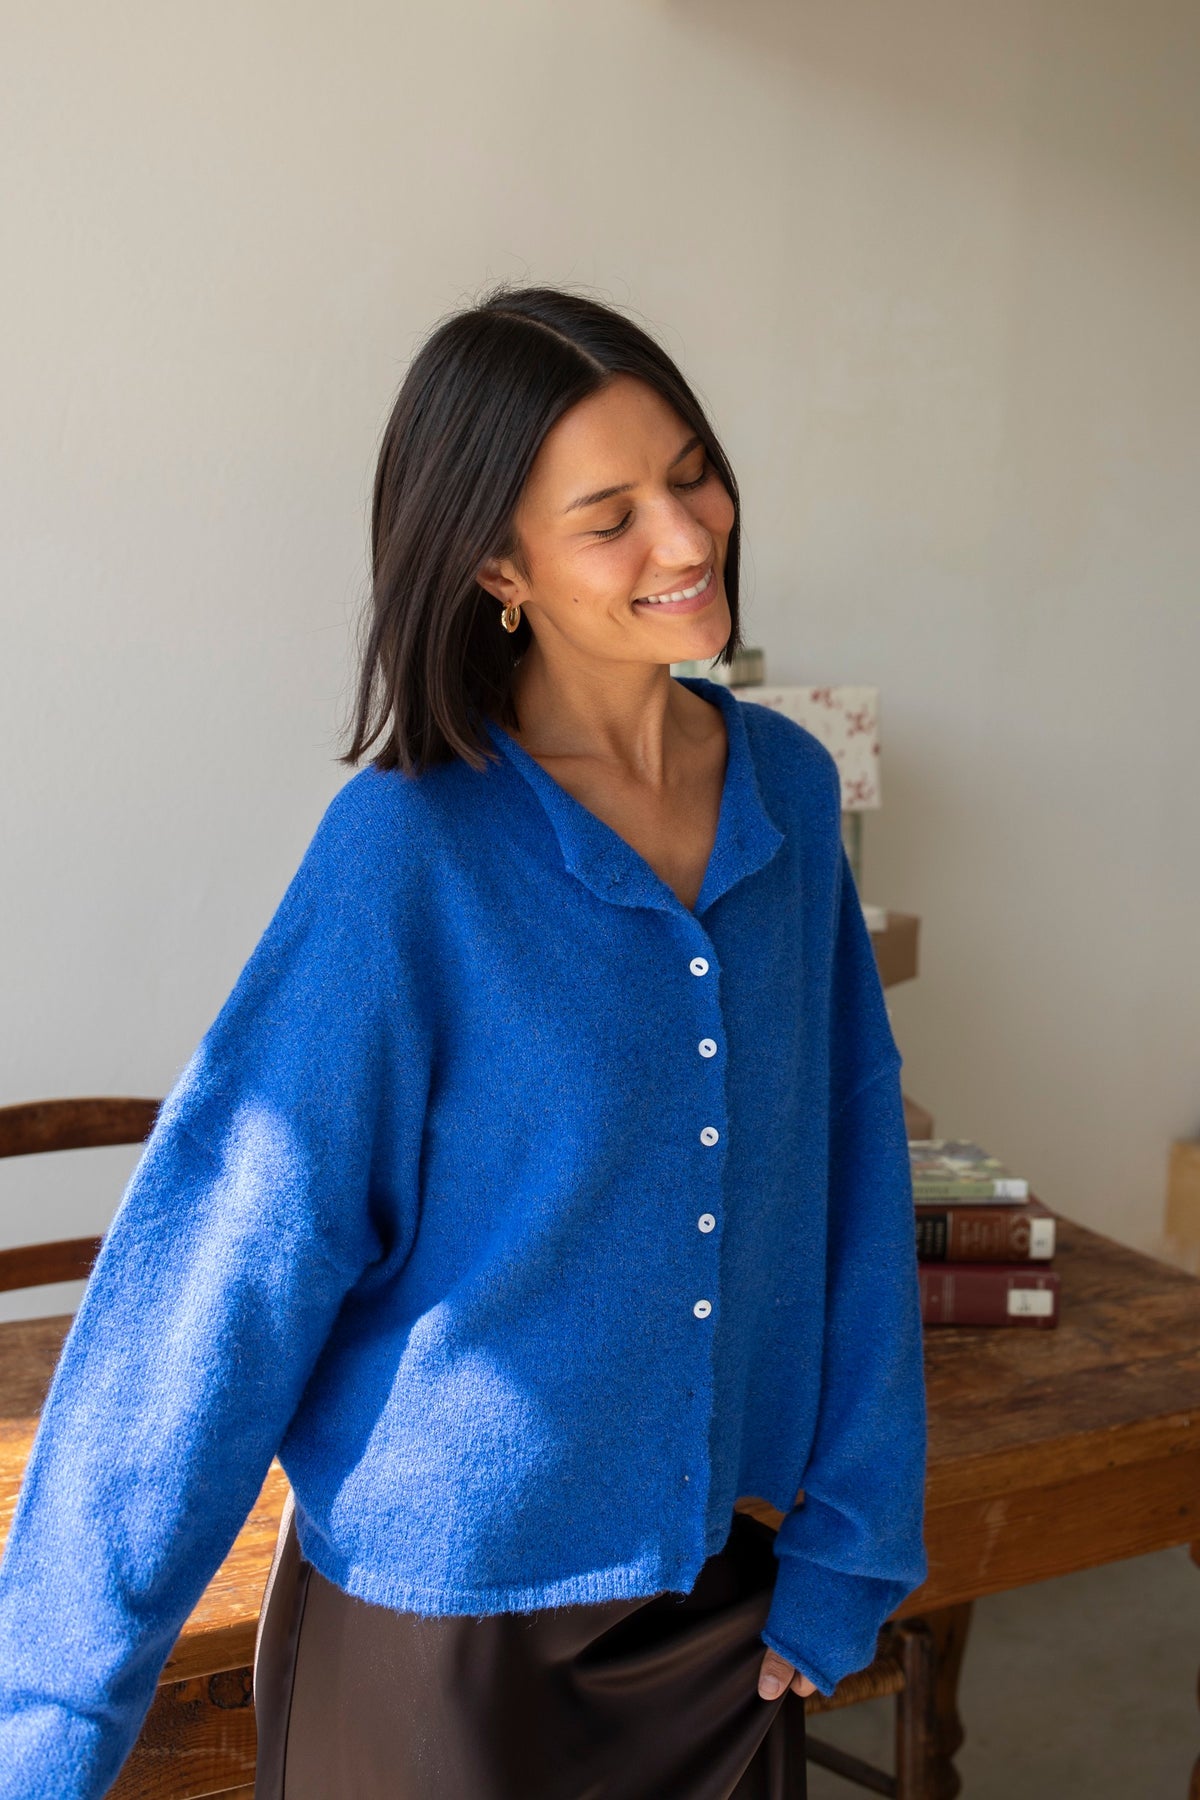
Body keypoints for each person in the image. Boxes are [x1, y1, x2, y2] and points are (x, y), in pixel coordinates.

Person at [0, 283, 928, 1799]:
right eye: (609, 514)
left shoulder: (787, 790)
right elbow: (224, 1270)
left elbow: (848, 1162)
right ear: (499, 562)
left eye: (691, 472)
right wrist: (50, 1727)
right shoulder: (406, 850)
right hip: (446, 1649)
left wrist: (857, 1536)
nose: (688, 540)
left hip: (718, 1613)